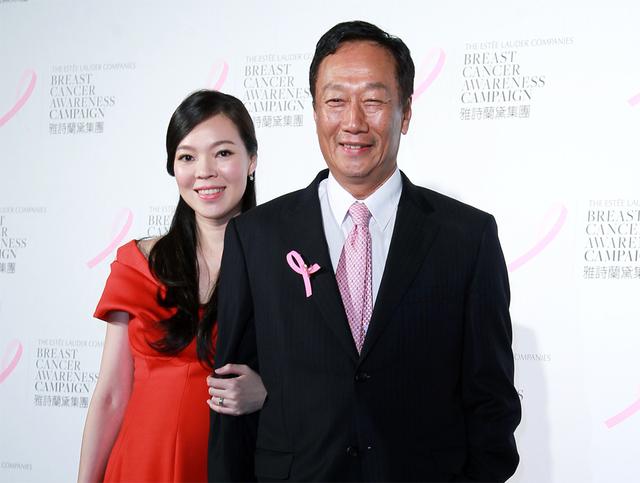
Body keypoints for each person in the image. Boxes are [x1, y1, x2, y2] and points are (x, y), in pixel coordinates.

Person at [208, 20, 521, 482]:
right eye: (335, 101)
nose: (353, 122)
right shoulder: (256, 237)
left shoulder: (467, 238)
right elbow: (232, 398)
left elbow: (491, 402)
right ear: (315, 111)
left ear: (406, 113)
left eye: (373, 101)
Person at [78, 90, 267, 483]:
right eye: (187, 157)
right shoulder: (138, 263)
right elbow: (111, 395)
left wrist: (268, 392)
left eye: (223, 153)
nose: (205, 171)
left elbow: (315, 380)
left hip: (233, 465)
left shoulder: (282, 266)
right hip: (138, 466)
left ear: (251, 160)